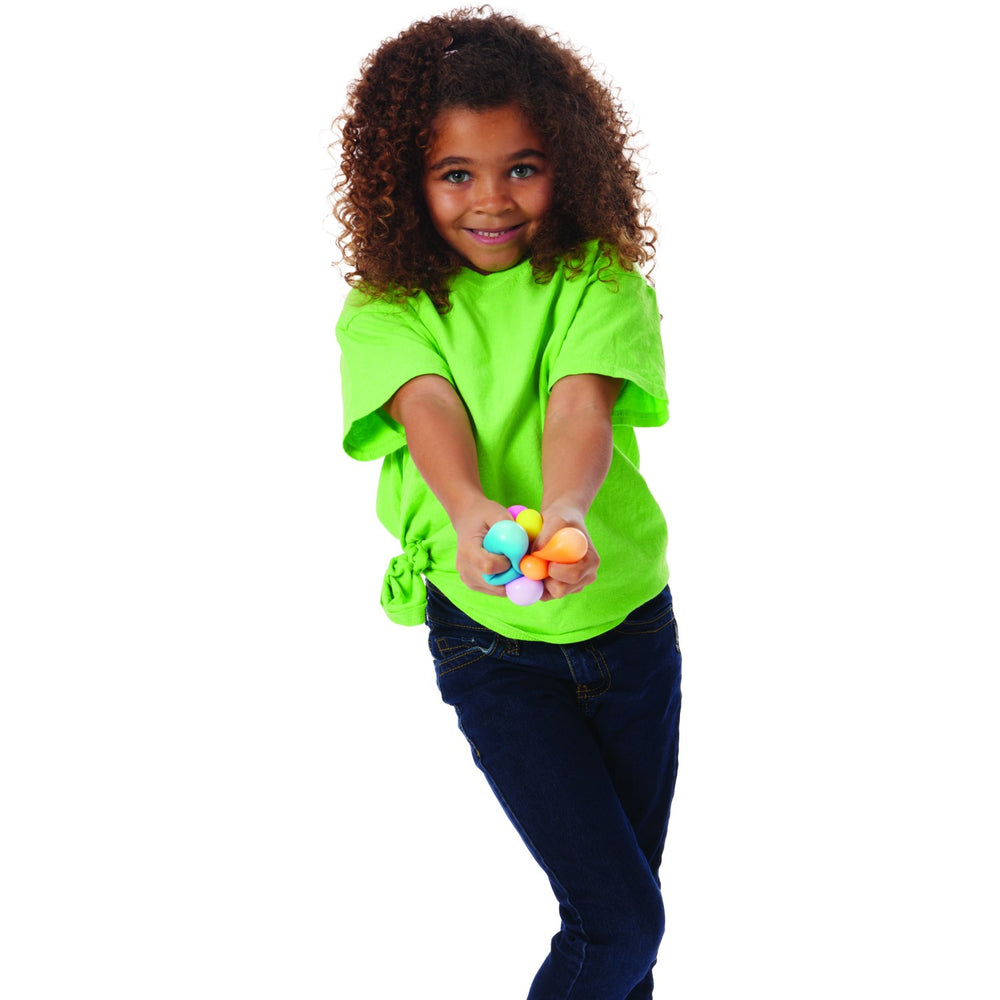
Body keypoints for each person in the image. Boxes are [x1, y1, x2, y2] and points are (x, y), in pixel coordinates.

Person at [333, 9, 682, 998]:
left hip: (629, 629)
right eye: (456, 173)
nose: (491, 199)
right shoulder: (386, 308)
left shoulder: (598, 279)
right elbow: (427, 408)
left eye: (522, 167)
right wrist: (469, 509)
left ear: (568, 161)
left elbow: (580, 404)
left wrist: (565, 507)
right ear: (404, 180)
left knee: (624, 926)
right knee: (619, 925)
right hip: (491, 645)